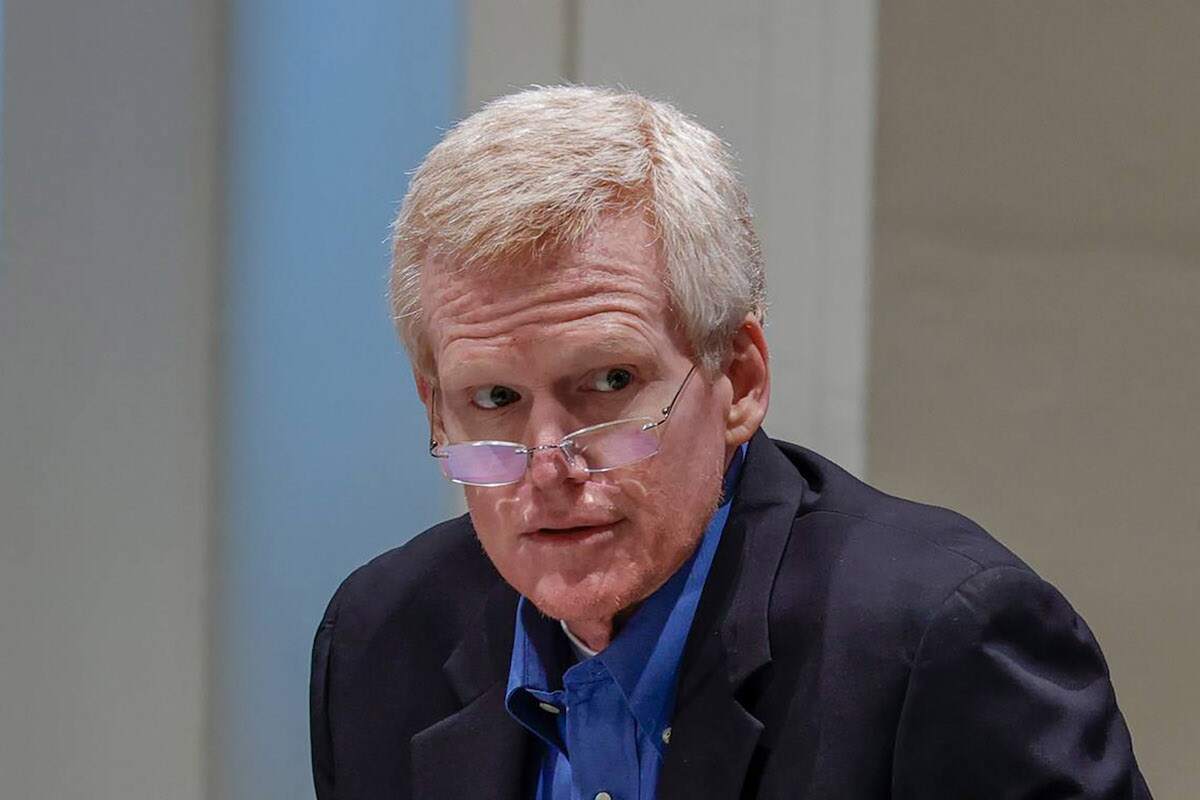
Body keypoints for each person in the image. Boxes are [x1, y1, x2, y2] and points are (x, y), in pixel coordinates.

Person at [309, 86, 1150, 800]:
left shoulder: (941, 640)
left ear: (739, 379)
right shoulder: (383, 639)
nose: (549, 465)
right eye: (493, 398)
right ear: (434, 411)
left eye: (607, 384)